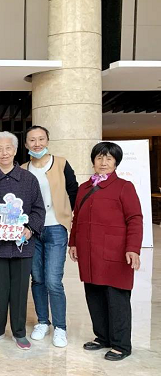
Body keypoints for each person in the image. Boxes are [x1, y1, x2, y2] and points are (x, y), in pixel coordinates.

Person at [69, 142, 142, 361]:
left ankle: (121, 345)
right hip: (89, 252)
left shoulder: (124, 187)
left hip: (115, 252)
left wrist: (133, 248)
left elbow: (135, 219)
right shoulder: (84, 188)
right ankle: (103, 337)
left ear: (116, 162)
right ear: (93, 161)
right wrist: (73, 243)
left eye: (109, 158)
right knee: (94, 295)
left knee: (116, 298)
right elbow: (77, 218)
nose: (103, 162)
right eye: (99, 158)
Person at [0, 131, 45, 350]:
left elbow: (38, 210)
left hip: (22, 245)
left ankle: (19, 331)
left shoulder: (28, 179)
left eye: (8, 148)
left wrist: (30, 229)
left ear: (15, 151)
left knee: (19, 290)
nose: (4, 153)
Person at [21, 126, 78, 347]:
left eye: (41, 139)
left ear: (47, 141)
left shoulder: (61, 163)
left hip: (56, 228)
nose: (37, 144)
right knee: (37, 279)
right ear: (26, 144)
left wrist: (71, 218)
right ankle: (43, 321)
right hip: (32, 230)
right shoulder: (23, 169)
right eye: (32, 140)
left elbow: (74, 192)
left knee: (53, 280)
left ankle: (60, 327)